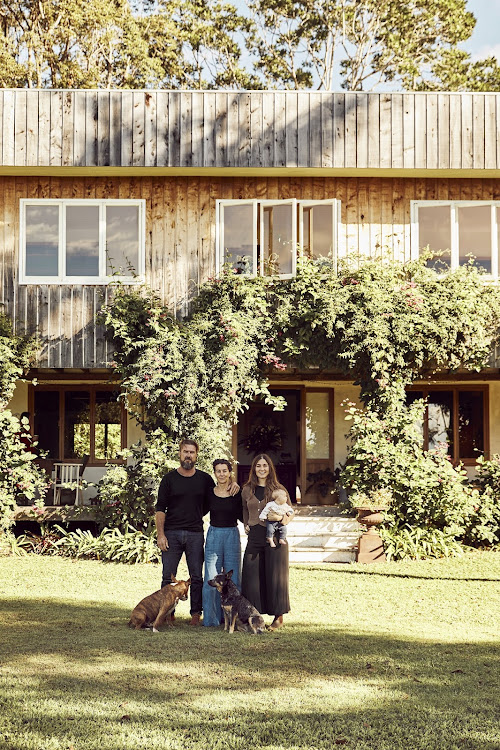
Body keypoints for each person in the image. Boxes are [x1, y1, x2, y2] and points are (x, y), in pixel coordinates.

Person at [241, 453, 291, 630]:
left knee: (275, 576)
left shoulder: (279, 489)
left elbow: (289, 512)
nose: (262, 469)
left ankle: (278, 616)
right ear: (254, 469)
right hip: (254, 536)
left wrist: (282, 520)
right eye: (258, 466)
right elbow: (244, 510)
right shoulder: (247, 489)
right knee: (251, 574)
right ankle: (253, 615)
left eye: (265, 466)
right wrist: (247, 524)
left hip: (275, 537)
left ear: (270, 468)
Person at [202, 459, 243, 627]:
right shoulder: (209, 492)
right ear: (214, 473)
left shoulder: (236, 492)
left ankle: (234, 619)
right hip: (214, 534)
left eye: (224, 470)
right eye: (218, 471)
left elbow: (243, 514)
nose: (221, 474)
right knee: (211, 577)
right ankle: (211, 619)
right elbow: (199, 509)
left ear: (229, 472)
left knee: (234, 579)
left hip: (232, 534)